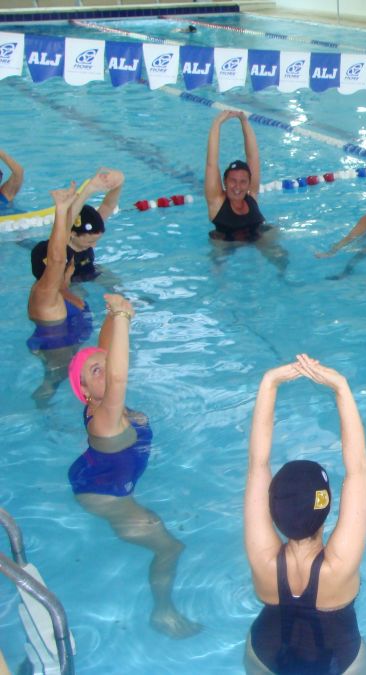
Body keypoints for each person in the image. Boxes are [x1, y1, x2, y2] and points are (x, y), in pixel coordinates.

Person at [67, 294, 201, 639]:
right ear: (85, 393)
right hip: (103, 494)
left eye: (105, 364)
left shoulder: (105, 403)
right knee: (170, 547)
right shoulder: (104, 418)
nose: (107, 371)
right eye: (97, 371)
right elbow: (118, 378)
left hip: (99, 472)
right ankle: (162, 610)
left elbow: (106, 353)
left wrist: (113, 313)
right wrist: (125, 319)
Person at [244, 354, 366, 674]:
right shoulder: (339, 567)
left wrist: (269, 384)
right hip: (340, 664)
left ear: (270, 509)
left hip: (264, 655)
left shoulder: (263, 559)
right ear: (327, 509)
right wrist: (341, 388)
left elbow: (257, 463)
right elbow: (356, 470)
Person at [26, 182, 94, 405]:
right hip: (58, 349)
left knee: (56, 381)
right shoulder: (46, 292)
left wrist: (85, 192)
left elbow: (60, 244)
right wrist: (61, 209)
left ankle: (43, 411)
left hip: (62, 342)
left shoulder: (55, 290)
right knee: (55, 381)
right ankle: (42, 417)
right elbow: (56, 258)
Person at [205, 110, 287, 272]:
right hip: (226, 243)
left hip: (257, 237)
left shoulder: (252, 195)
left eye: (243, 182)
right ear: (225, 182)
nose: (237, 187)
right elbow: (211, 163)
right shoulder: (216, 201)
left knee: (282, 258)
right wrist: (217, 124)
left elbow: (253, 157)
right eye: (232, 181)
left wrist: (244, 121)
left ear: (249, 183)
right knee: (218, 271)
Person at [30, 168, 124, 283]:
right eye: (90, 241)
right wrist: (88, 190)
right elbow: (67, 223)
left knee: (114, 281)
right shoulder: (59, 249)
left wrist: (118, 184)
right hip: (62, 283)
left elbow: (108, 206)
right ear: (72, 233)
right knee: (80, 295)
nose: (93, 246)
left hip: (85, 270)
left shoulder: (90, 231)